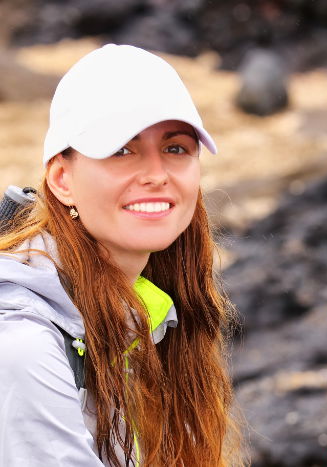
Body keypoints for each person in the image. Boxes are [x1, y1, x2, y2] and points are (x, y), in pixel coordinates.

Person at [0, 44, 247, 466]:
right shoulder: (24, 347)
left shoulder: (147, 311)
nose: (155, 174)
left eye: (175, 149)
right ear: (61, 179)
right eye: (120, 150)